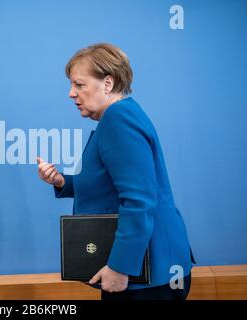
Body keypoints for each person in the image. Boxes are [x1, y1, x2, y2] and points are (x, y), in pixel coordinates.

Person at [37, 43, 195, 300]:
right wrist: (62, 181)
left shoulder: (117, 119)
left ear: (107, 84)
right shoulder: (123, 114)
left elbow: (139, 199)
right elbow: (110, 182)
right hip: (150, 273)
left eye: (79, 85)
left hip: (146, 278)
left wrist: (121, 266)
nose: (71, 93)